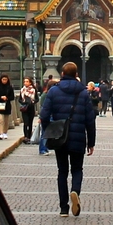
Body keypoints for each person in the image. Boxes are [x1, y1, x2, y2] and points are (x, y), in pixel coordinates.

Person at [40, 58, 97, 216]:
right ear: (76, 74)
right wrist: (91, 142)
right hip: (78, 138)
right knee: (77, 169)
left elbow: (44, 115)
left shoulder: (53, 91)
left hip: (60, 137)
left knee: (62, 171)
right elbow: (89, 120)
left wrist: (49, 131)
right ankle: (75, 191)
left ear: (62, 74)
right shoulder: (83, 93)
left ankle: (63, 208)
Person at [0, 74, 15, 139]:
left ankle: (5, 132)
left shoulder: (10, 87)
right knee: (0, 119)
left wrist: (7, 98)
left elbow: (12, 97)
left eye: (6, 79)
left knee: (6, 120)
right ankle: (1, 133)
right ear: (1, 80)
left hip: (7, 105)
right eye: (3, 79)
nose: (4, 81)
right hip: (0, 105)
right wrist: (1, 97)